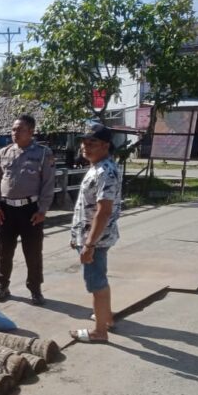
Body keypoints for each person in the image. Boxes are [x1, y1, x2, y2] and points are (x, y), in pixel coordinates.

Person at [0, 114, 55, 305]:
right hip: (6, 210)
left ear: (31, 131)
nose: (14, 133)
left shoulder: (42, 153)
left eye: (20, 129)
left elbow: (48, 183)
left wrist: (42, 210)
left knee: (33, 252)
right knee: (4, 250)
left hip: (30, 210)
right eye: (13, 129)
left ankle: (35, 288)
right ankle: (1, 285)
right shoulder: (4, 153)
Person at [69, 123, 122, 343]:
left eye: (92, 143)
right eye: (84, 142)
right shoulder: (98, 166)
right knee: (100, 278)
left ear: (106, 145)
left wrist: (89, 245)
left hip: (96, 239)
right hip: (93, 236)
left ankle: (100, 331)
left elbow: (104, 210)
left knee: (96, 282)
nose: (86, 147)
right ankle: (106, 318)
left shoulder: (105, 171)